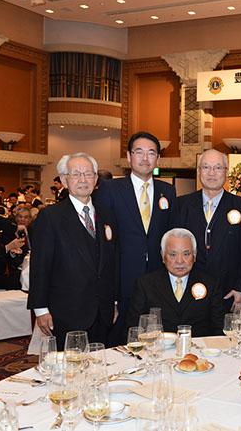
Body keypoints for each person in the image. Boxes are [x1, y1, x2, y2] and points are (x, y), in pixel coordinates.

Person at [27, 153, 119, 350]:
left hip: (103, 311)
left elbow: (113, 263)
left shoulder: (108, 216)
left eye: (88, 174)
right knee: (70, 365)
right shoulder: (50, 217)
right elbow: (40, 265)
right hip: (66, 312)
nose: (83, 179)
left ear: (96, 179)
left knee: (101, 363)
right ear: (64, 180)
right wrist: (40, 309)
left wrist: (114, 301)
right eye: (76, 174)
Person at [96, 131, 178, 345]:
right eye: (139, 152)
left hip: (158, 281)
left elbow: (170, 235)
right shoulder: (110, 189)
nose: (145, 158)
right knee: (121, 341)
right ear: (128, 156)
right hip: (122, 281)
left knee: (157, 339)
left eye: (151, 153)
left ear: (157, 159)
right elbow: (103, 241)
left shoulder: (168, 191)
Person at [178, 149, 241, 313]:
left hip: (229, 293)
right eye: (206, 167)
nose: (212, 173)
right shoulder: (181, 205)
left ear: (226, 172)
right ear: (198, 171)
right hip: (188, 291)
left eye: (218, 168)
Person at [126, 229, 224, 336]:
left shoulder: (211, 285)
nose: (179, 261)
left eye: (186, 254)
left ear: (195, 255)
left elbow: (219, 329)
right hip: (158, 345)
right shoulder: (145, 285)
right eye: (173, 255)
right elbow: (133, 329)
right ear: (163, 256)